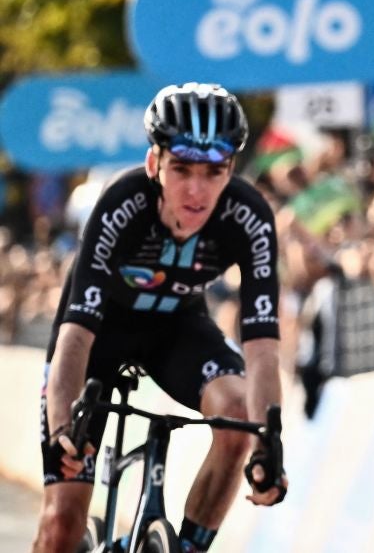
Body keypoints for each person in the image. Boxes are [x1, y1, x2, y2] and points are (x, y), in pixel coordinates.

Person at [33, 83, 287, 553]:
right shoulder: (122, 202)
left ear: (231, 171)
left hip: (176, 331)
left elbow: (263, 349)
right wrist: (63, 430)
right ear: (155, 164)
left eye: (214, 172)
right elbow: (74, 336)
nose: (197, 189)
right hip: (97, 336)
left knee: (238, 416)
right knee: (62, 524)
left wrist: (268, 444)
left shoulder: (249, 217)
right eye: (182, 169)